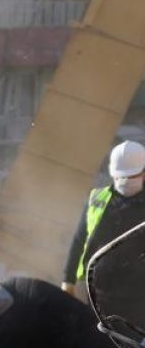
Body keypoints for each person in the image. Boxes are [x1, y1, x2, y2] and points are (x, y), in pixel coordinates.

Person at [63, 140, 145, 326]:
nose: (126, 182)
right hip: (99, 293)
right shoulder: (97, 199)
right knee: (100, 342)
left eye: (131, 176)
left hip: (139, 296)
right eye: (122, 177)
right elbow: (78, 240)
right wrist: (68, 279)